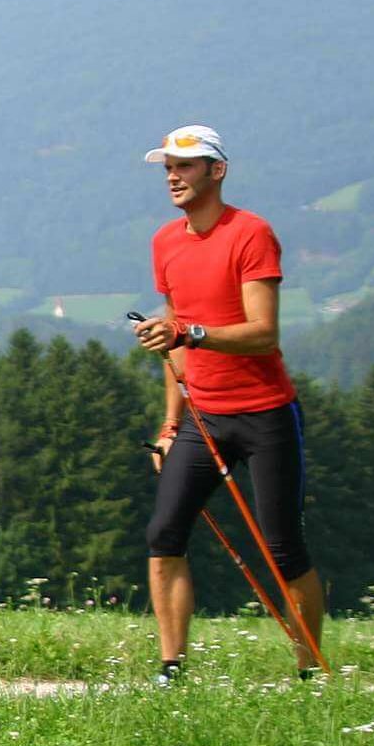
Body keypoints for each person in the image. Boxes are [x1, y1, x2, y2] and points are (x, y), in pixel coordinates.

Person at [133, 125, 323, 682]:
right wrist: (169, 425)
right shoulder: (165, 241)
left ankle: (310, 671)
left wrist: (190, 332)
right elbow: (175, 343)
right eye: (167, 166)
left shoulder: (251, 233)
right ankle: (172, 669)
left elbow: (263, 333)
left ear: (217, 171)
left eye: (186, 166)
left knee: (283, 547)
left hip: (265, 412)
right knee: (163, 536)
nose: (173, 176)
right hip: (201, 417)